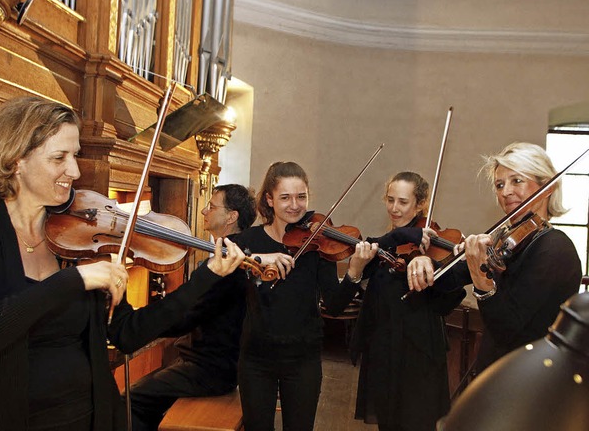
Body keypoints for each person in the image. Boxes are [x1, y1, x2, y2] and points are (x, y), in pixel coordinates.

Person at [0, 96, 246, 431]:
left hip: (89, 418)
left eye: (74, 155)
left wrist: (206, 277)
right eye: (59, 157)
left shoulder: (79, 240)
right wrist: (71, 281)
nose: (74, 171)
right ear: (16, 160)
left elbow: (128, 334)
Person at [408, 142, 582, 374]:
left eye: (516, 180)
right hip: (499, 371)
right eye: (500, 184)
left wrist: (482, 281)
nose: (505, 191)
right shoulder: (505, 238)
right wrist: (426, 262)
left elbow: (507, 329)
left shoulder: (555, 248)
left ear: (547, 187)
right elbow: (446, 280)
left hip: (531, 379)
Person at [231, 161, 380, 431]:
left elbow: (334, 304)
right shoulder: (248, 241)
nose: (295, 205)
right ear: (269, 199)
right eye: (285, 197)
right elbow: (217, 266)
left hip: (303, 358)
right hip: (256, 358)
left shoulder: (316, 243)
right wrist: (257, 259)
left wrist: (355, 272)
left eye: (302, 197)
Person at [127, 184, 257, 431]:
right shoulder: (234, 253)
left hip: (212, 369)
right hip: (213, 362)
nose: (204, 211)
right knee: (149, 394)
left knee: (130, 399)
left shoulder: (227, 264)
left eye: (212, 206)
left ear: (231, 216)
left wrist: (141, 324)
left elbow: (186, 319)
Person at [350, 171, 465, 431]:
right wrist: (397, 238)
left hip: (418, 353)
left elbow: (449, 296)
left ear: (420, 204)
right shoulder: (383, 247)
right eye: (390, 200)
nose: (394, 208)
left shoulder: (432, 243)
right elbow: (363, 263)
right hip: (383, 350)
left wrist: (439, 263)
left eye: (402, 202)